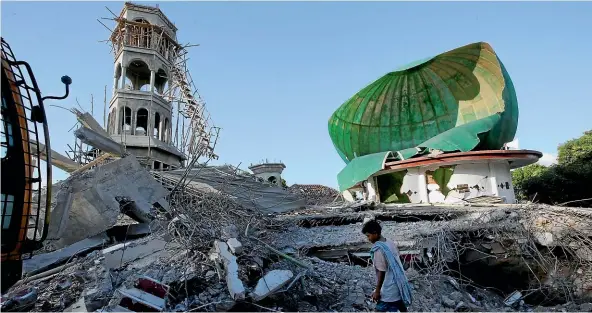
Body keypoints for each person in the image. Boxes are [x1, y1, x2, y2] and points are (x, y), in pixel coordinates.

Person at [362, 220, 413, 312]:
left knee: (379, 309)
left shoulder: (379, 249)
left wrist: (377, 291)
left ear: (375, 233)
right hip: (398, 284)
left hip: (388, 289)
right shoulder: (389, 242)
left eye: (368, 236)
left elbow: (382, 271)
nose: (368, 239)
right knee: (401, 307)